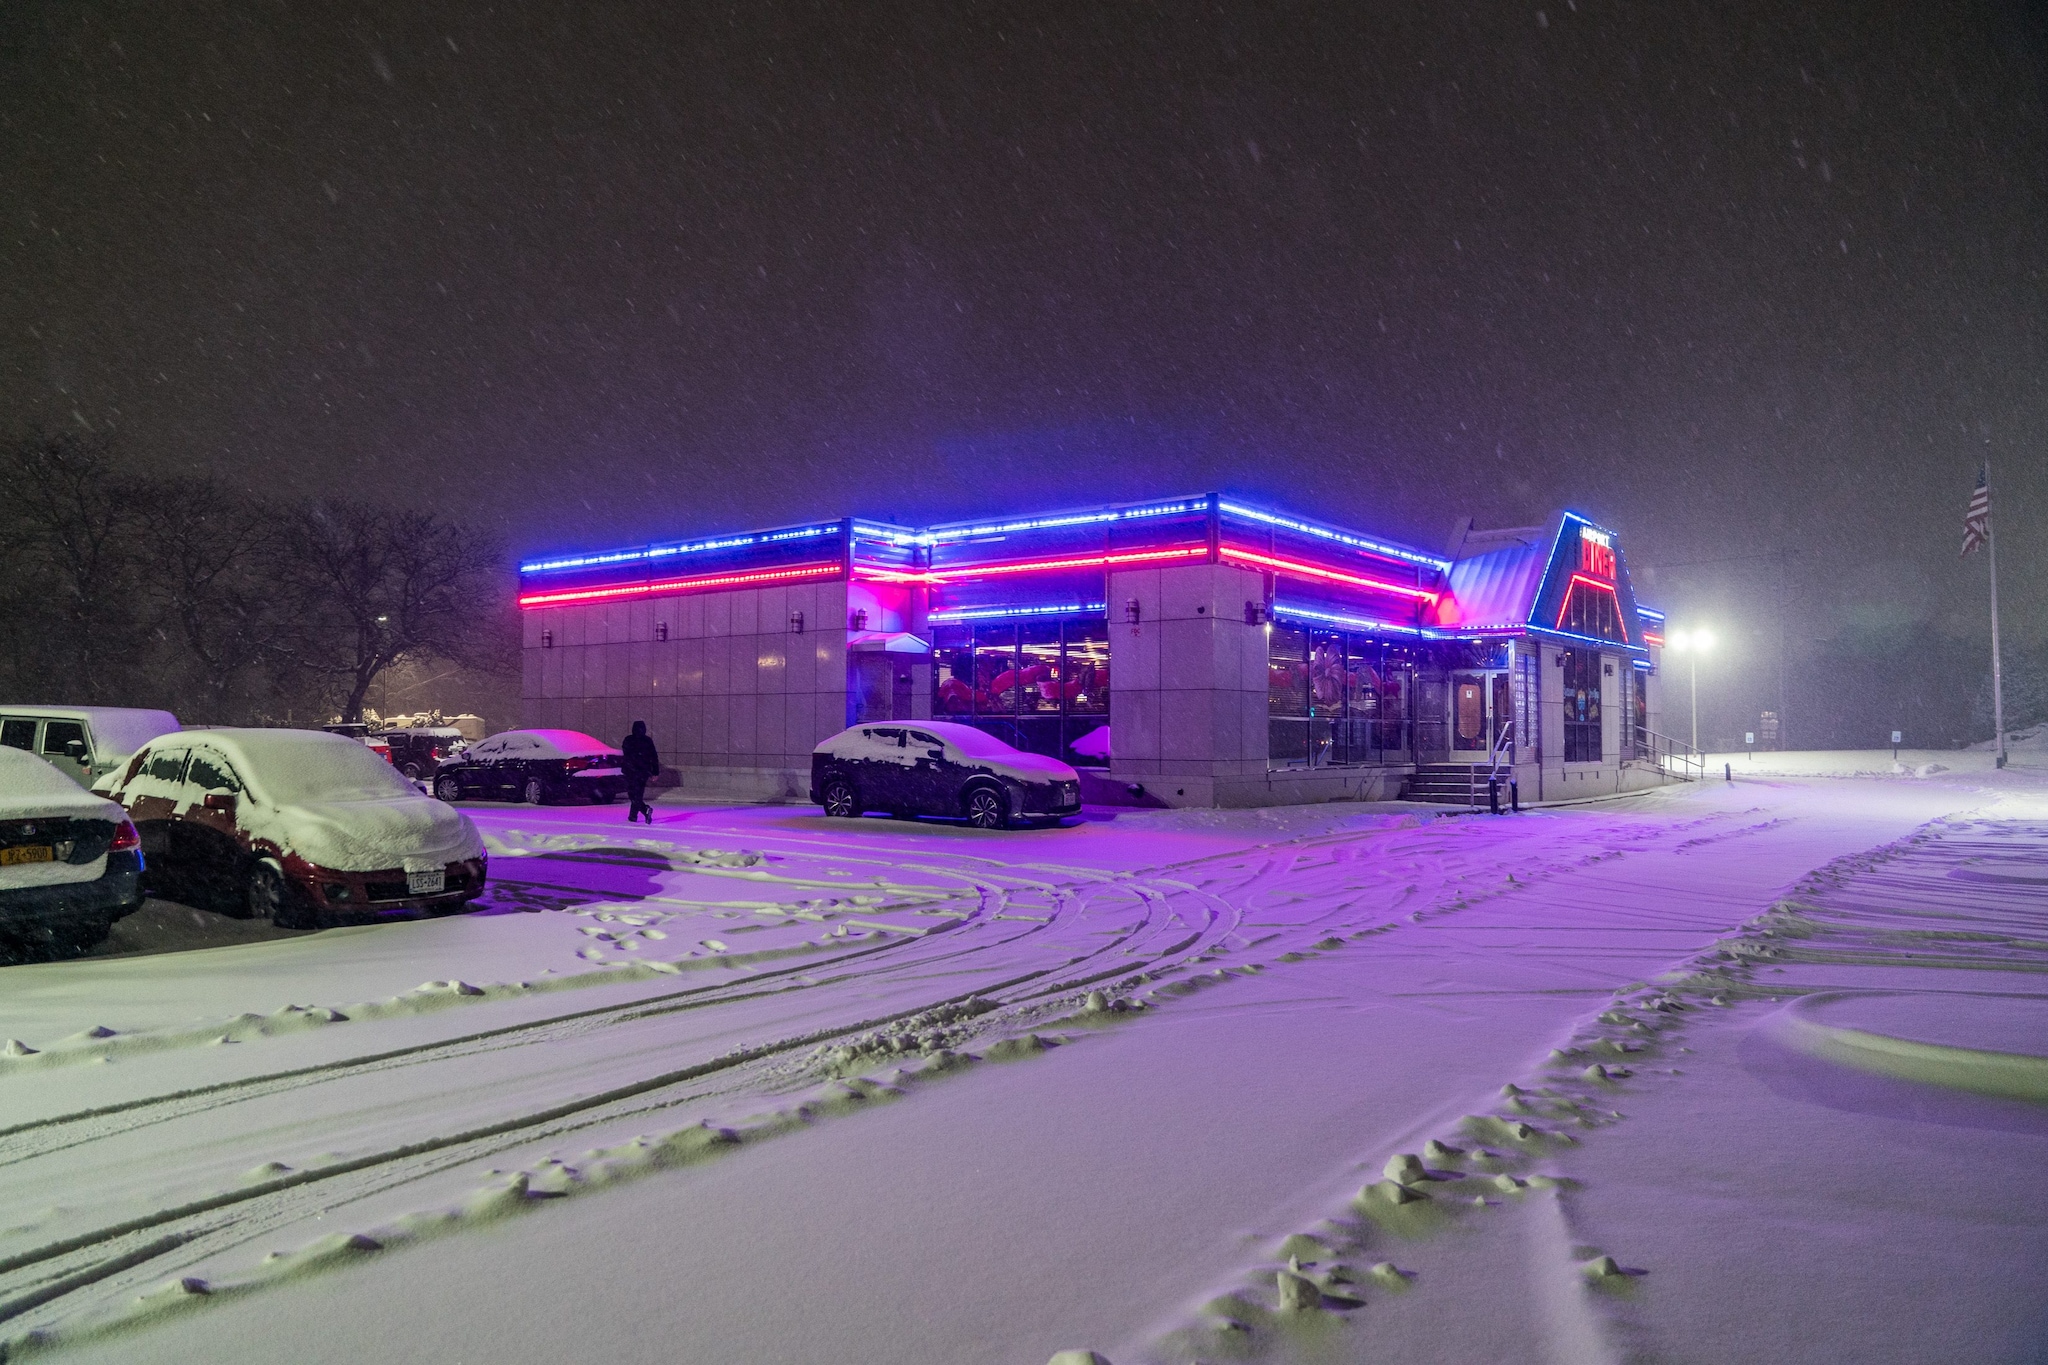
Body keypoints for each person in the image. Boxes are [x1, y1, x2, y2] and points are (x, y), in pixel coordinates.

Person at [621, 720, 660, 824]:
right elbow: (654, 757)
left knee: (632, 794)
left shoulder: (628, 740)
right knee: (637, 794)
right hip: (643, 771)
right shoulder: (647, 741)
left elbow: (626, 755)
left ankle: (634, 815)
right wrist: (655, 772)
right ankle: (640, 812)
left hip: (631, 771)